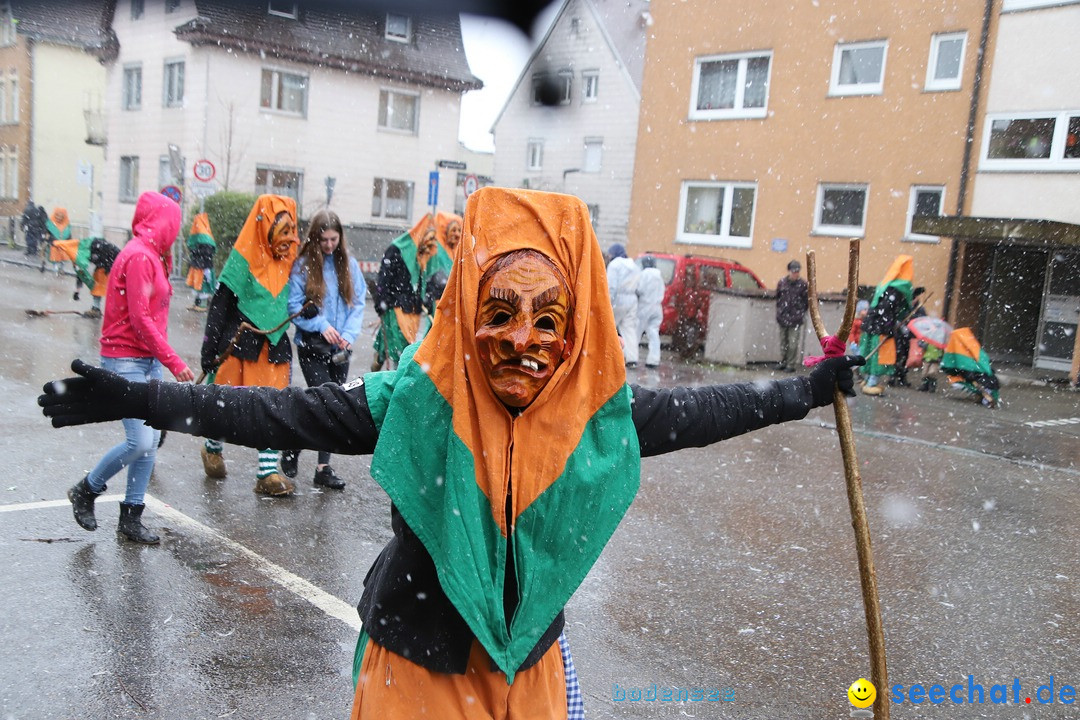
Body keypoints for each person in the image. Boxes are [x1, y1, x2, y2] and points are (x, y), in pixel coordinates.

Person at [40, 187, 863, 719]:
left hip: (529, 673)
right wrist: (146, 397)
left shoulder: (592, 416)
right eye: (501, 313)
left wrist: (807, 389)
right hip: (417, 675)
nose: (523, 341)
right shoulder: (417, 403)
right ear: (468, 312)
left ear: (576, 331)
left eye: (548, 321)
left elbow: (699, 411)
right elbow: (286, 414)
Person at [62, 192, 194, 544]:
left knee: (149, 442)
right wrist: (174, 361)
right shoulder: (138, 256)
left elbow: (153, 318)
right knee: (140, 440)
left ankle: (131, 518)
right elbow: (140, 319)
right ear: (161, 222)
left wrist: (162, 359)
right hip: (125, 358)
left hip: (146, 360)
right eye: (173, 224)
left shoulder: (153, 256)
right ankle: (86, 490)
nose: (176, 232)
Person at [198, 194, 300, 496]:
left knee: (272, 407)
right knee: (226, 406)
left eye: (290, 229)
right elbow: (220, 303)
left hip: (276, 346)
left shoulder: (293, 259)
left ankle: (266, 472)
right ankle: (212, 448)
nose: (288, 238)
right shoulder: (243, 257)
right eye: (281, 229)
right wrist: (209, 348)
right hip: (240, 345)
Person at [280, 209, 366, 490]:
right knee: (322, 401)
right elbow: (294, 305)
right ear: (315, 238)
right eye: (323, 239)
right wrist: (321, 324)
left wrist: (349, 334)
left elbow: (359, 302)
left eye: (333, 239)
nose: (329, 245)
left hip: (340, 349)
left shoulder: (349, 265)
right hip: (313, 346)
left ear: (340, 237)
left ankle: (323, 467)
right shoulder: (304, 265)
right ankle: (293, 443)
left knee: (334, 405)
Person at [372, 215, 439, 371]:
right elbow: (383, 278)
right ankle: (392, 384)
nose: (430, 249)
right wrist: (381, 301)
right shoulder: (397, 249)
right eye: (428, 243)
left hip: (413, 312)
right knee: (400, 352)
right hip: (395, 309)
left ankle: (377, 366)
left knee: (392, 347)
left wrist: (427, 299)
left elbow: (426, 281)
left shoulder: (423, 256)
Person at [858, 255, 914, 396]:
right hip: (880, 329)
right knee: (880, 356)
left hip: (872, 326)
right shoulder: (895, 290)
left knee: (870, 354)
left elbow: (881, 308)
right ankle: (871, 382)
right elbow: (888, 310)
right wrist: (889, 326)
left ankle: (867, 380)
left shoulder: (885, 286)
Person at [48, 236, 120, 319]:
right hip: (107, 257)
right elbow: (80, 272)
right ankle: (98, 308)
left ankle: (99, 309)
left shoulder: (76, 253)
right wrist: (77, 290)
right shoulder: (77, 248)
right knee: (101, 282)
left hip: (108, 259)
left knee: (102, 283)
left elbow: (81, 272)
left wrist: (77, 290)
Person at [606, 242, 640, 367]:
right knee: (629, 329)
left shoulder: (614, 265)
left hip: (618, 299)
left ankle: (609, 357)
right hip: (632, 300)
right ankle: (632, 359)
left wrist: (608, 303)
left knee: (608, 328)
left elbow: (612, 286)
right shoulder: (634, 266)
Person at [775, 259, 808, 372]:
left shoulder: (803, 285)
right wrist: (780, 312)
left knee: (793, 343)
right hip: (783, 317)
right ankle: (783, 361)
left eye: (797, 271)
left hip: (796, 319)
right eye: (794, 271)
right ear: (789, 271)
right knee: (783, 342)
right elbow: (778, 298)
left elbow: (806, 302)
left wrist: (800, 313)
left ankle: (791, 364)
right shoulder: (782, 282)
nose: (795, 273)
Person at [890, 286, 926, 388]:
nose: (914, 300)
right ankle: (893, 376)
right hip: (899, 336)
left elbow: (922, 321)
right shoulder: (902, 307)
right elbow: (895, 318)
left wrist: (913, 322)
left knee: (906, 357)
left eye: (915, 298)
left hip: (910, 338)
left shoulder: (920, 309)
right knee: (896, 356)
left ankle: (902, 377)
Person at [636, 254, 665, 368]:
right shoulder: (659, 276)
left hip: (644, 306)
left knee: (636, 332)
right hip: (657, 307)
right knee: (653, 333)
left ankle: (631, 357)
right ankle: (654, 359)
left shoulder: (644, 274)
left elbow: (639, 289)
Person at [185, 212, 218, 312]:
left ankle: (203, 305)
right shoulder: (204, 237)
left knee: (203, 286)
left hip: (203, 267)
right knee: (197, 285)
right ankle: (197, 303)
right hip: (198, 265)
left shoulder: (206, 239)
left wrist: (195, 251)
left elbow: (206, 252)